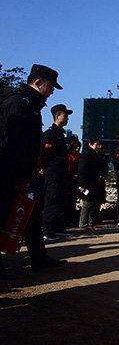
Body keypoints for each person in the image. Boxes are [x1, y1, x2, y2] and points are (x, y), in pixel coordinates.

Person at [0, 64, 66, 273]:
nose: (52, 91)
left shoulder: (31, 105)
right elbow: (14, 145)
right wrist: (20, 178)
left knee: (33, 215)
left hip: (24, 172)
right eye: (50, 86)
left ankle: (39, 257)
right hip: (9, 173)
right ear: (38, 83)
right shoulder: (18, 103)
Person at [40, 104, 72, 240]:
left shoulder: (60, 135)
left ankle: (58, 228)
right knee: (51, 202)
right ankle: (48, 231)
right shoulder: (50, 134)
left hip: (61, 174)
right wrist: (43, 168)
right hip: (53, 173)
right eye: (65, 116)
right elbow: (44, 154)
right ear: (57, 116)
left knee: (60, 201)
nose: (67, 119)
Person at [78, 139, 108, 229]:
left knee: (95, 203)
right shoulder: (86, 155)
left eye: (100, 145)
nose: (99, 147)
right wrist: (81, 185)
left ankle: (92, 222)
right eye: (97, 145)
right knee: (87, 203)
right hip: (87, 183)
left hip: (96, 183)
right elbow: (82, 170)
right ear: (91, 144)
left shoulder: (99, 155)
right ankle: (83, 223)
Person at [65, 136, 81, 228]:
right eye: (74, 144)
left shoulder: (77, 155)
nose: (76, 146)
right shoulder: (66, 154)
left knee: (72, 201)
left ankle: (70, 220)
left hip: (74, 180)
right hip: (66, 179)